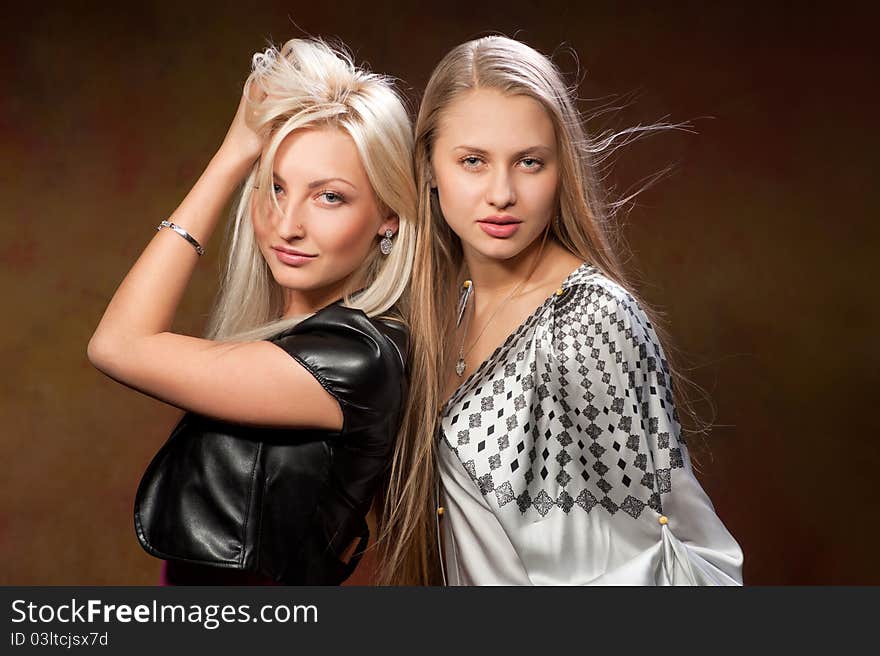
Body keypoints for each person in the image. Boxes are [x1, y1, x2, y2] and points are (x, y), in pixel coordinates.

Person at [379, 36, 743, 585]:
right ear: (428, 167)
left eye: (529, 162)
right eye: (473, 161)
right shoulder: (447, 307)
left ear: (560, 170)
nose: (502, 193)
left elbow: (634, 570)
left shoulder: (587, 322)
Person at [87, 38, 416, 585]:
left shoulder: (354, 359)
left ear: (389, 216)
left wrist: (231, 155)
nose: (287, 225)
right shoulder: (304, 345)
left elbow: (117, 345)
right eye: (276, 187)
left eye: (329, 196)